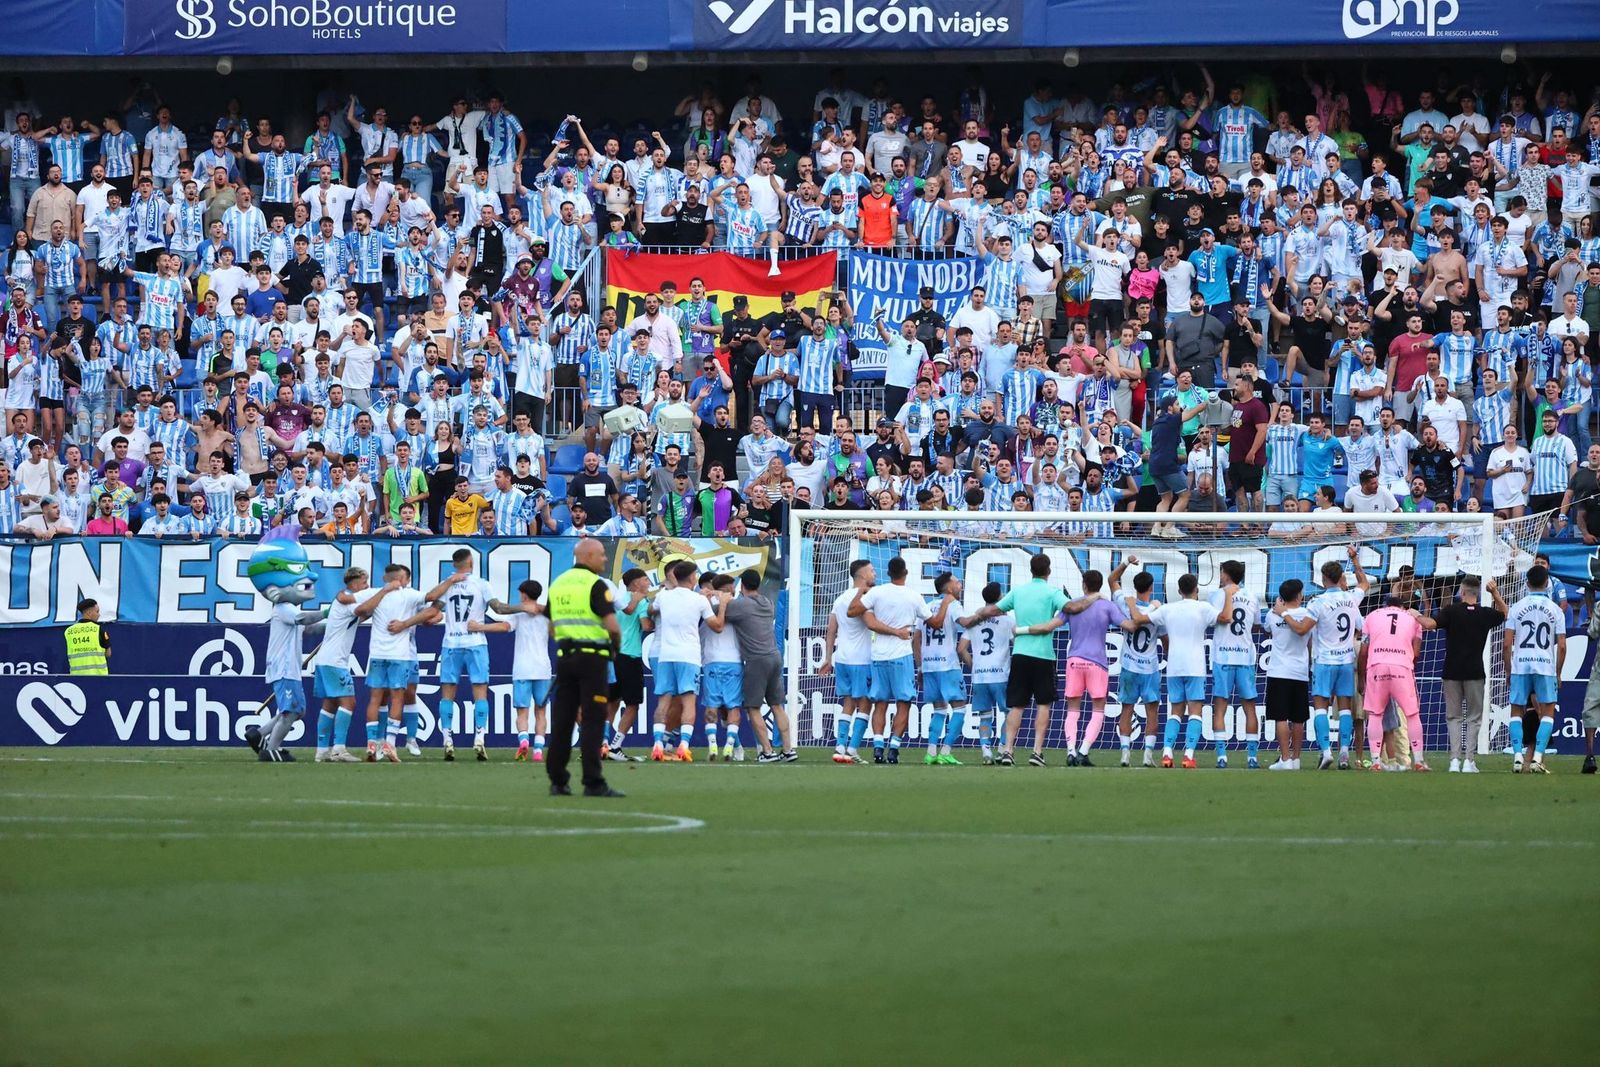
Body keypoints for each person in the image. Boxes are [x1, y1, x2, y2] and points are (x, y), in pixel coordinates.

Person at [968, 552, 1068, 767]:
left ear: (1031, 570)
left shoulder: (1018, 592)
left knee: (1016, 706)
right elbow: (1070, 607)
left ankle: (1008, 750)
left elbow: (993, 609)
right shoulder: (1053, 592)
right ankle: (1037, 751)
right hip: (1043, 655)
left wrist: (977, 616)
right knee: (1043, 704)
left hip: (1020, 655)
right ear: (1048, 571)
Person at [544, 538, 624, 798]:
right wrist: (615, 648)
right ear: (588, 555)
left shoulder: (558, 584)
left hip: (566, 659)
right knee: (593, 720)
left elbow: (552, 626)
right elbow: (612, 626)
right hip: (593, 660)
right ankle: (593, 781)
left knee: (562, 720)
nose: (604, 559)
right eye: (601, 555)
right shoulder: (595, 585)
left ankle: (558, 781)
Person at [1129, 573, 1223, 769]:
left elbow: (1137, 619)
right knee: (1195, 712)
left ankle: (1167, 753)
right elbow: (1225, 618)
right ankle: (1188, 755)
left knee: (1175, 711)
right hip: (1195, 666)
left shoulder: (1167, 609)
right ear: (1196, 590)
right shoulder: (1203, 607)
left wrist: (1131, 603)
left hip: (1174, 666)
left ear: (1179, 591)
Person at [1418, 574, 1506, 773]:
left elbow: (1430, 624)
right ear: (1477, 593)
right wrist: (1495, 592)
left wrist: (1415, 615)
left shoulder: (1451, 611)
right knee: (1474, 718)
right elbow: (1505, 612)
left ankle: (1454, 761)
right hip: (1475, 671)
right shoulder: (1485, 613)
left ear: (1462, 591)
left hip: (1451, 671)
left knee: (1454, 717)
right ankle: (1469, 761)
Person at [313, 567, 401, 763]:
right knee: (349, 702)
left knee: (330, 704)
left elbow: (363, 614)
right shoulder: (347, 598)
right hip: (334, 661)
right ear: (353, 583)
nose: (366, 586)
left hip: (326, 660)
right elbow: (362, 609)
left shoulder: (345, 598)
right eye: (363, 582)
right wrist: (385, 591)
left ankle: (321, 750)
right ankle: (338, 749)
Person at [854, 555, 933, 764]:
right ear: (906, 573)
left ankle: (878, 747)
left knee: (880, 703)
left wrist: (862, 592)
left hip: (878, 655)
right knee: (904, 703)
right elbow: (932, 620)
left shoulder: (877, 592)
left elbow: (854, 610)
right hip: (901, 655)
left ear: (888, 573)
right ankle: (894, 748)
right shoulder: (914, 596)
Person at [1058, 565, 1137, 766]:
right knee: (1098, 709)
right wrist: (1141, 612)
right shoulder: (1107, 606)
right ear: (1100, 586)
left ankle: (1070, 751)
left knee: (1073, 709)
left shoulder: (1071, 604)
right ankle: (1083, 750)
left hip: (1074, 660)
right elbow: (1129, 626)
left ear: (1084, 585)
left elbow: (1053, 624)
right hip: (1098, 663)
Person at [649, 558, 721, 762]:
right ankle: (683, 746)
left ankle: (657, 745)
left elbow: (650, 610)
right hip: (688, 656)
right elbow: (716, 626)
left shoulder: (664, 596)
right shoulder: (699, 600)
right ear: (692, 577)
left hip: (666, 655)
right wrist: (722, 605)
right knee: (688, 702)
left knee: (663, 702)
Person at [425, 548, 493, 761]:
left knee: (447, 693)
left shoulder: (447, 584)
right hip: (476, 642)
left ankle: (447, 740)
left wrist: (416, 620)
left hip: (451, 643)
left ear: (455, 564)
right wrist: (524, 608)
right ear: (471, 561)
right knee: (480, 691)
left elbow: (432, 610)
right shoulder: (481, 584)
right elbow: (498, 607)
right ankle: (479, 738)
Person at [474, 580, 552, 763]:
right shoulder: (547, 614)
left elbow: (503, 627)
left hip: (522, 669)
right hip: (543, 669)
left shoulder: (518, 614)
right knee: (541, 712)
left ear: (524, 595)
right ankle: (538, 750)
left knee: (522, 713)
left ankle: (524, 741)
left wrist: (480, 627)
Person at [1307, 547, 1371, 769]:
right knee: (1345, 708)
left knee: (1320, 707)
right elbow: (1364, 584)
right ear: (1341, 578)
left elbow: (1306, 632)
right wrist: (1355, 559)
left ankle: (1326, 752)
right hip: (1346, 661)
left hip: (1324, 661)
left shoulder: (1317, 602)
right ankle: (1344, 753)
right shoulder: (1351, 598)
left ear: (1324, 579)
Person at [364, 562, 434, 762]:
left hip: (406, 652)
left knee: (407, 693)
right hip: (396, 654)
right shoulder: (383, 594)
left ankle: (409, 739)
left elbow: (434, 614)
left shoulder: (411, 595)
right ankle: (382, 743)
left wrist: (413, 621)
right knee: (389, 696)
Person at [725, 568, 795, 763]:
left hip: (756, 660)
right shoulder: (768, 603)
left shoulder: (741, 605)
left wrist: (719, 598)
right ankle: (788, 749)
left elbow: (716, 613)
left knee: (753, 707)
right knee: (777, 705)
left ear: (743, 585)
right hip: (774, 656)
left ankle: (767, 751)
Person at [1503, 564, 1566, 775]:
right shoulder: (1556, 610)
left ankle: (1518, 758)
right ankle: (1538, 758)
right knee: (1547, 711)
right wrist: (1558, 672)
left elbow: (1506, 644)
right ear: (1547, 583)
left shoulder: (1516, 608)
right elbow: (1563, 645)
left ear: (1527, 583)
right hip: (1545, 665)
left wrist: (1508, 671)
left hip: (1521, 664)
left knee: (1516, 711)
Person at [1360, 595, 1428, 771]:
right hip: (1402, 668)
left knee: (1375, 715)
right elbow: (1417, 652)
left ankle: (1375, 761)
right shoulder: (1413, 619)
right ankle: (1419, 761)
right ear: (1403, 606)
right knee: (1412, 714)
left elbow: (1364, 650)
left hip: (1377, 667)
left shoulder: (1372, 616)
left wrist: (1362, 677)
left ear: (1385, 605)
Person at [1208, 559, 1262, 768]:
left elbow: (1214, 619)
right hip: (1245, 657)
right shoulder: (1252, 596)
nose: (1220, 576)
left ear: (1226, 574)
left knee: (1220, 706)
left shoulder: (1218, 594)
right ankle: (1252, 758)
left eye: (1221, 572)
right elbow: (1256, 625)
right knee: (1249, 707)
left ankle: (1222, 757)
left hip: (1223, 656)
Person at [1111, 563, 1164, 767]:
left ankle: (1125, 754)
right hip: (1150, 668)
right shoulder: (1156, 611)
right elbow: (1165, 639)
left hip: (1128, 666)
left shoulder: (1125, 604)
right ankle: (1147, 756)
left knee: (1127, 709)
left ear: (1135, 587)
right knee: (1152, 711)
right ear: (1151, 588)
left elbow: (1111, 581)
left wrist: (1125, 563)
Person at [957, 582, 1015, 765]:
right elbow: (1017, 641)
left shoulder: (974, 621)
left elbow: (961, 649)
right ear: (999, 597)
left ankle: (986, 752)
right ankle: (1003, 749)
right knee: (1011, 712)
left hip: (980, 676)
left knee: (984, 715)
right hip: (1000, 675)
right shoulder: (1007, 620)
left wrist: (973, 664)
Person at [824, 558, 876, 764]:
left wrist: (828, 658)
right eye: (871, 571)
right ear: (862, 575)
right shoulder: (865, 598)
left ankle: (839, 746)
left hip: (842, 658)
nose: (874, 574)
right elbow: (872, 624)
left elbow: (830, 631)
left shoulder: (839, 599)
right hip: (862, 659)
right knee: (865, 704)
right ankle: (852, 748)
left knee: (848, 703)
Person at [602, 568, 652, 763]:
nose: (648, 583)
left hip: (612, 655)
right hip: (629, 656)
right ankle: (615, 746)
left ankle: (603, 744)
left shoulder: (617, 599)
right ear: (635, 583)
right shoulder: (639, 600)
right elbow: (647, 626)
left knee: (612, 701)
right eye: (645, 579)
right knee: (632, 704)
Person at [1265, 579, 1316, 770]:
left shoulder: (1272, 614)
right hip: (1299, 670)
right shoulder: (1307, 614)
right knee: (1297, 718)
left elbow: (1268, 630)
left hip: (1279, 670)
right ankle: (1295, 759)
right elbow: (1308, 639)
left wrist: (1281, 612)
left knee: (1281, 717)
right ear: (1298, 595)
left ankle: (1285, 759)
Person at [919, 572, 968, 765]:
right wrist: (982, 616)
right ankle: (945, 751)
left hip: (929, 665)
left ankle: (931, 752)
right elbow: (964, 622)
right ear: (948, 588)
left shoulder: (927, 606)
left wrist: (921, 666)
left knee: (939, 709)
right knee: (960, 708)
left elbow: (916, 637)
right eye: (956, 582)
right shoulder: (954, 604)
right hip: (947, 664)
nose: (960, 584)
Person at [64, 597, 109, 676]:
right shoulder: (98, 629)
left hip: (76, 677)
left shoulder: (68, 631)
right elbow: (108, 653)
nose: (99, 615)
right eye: (97, 611)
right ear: (89, 613)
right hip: (99, 677)